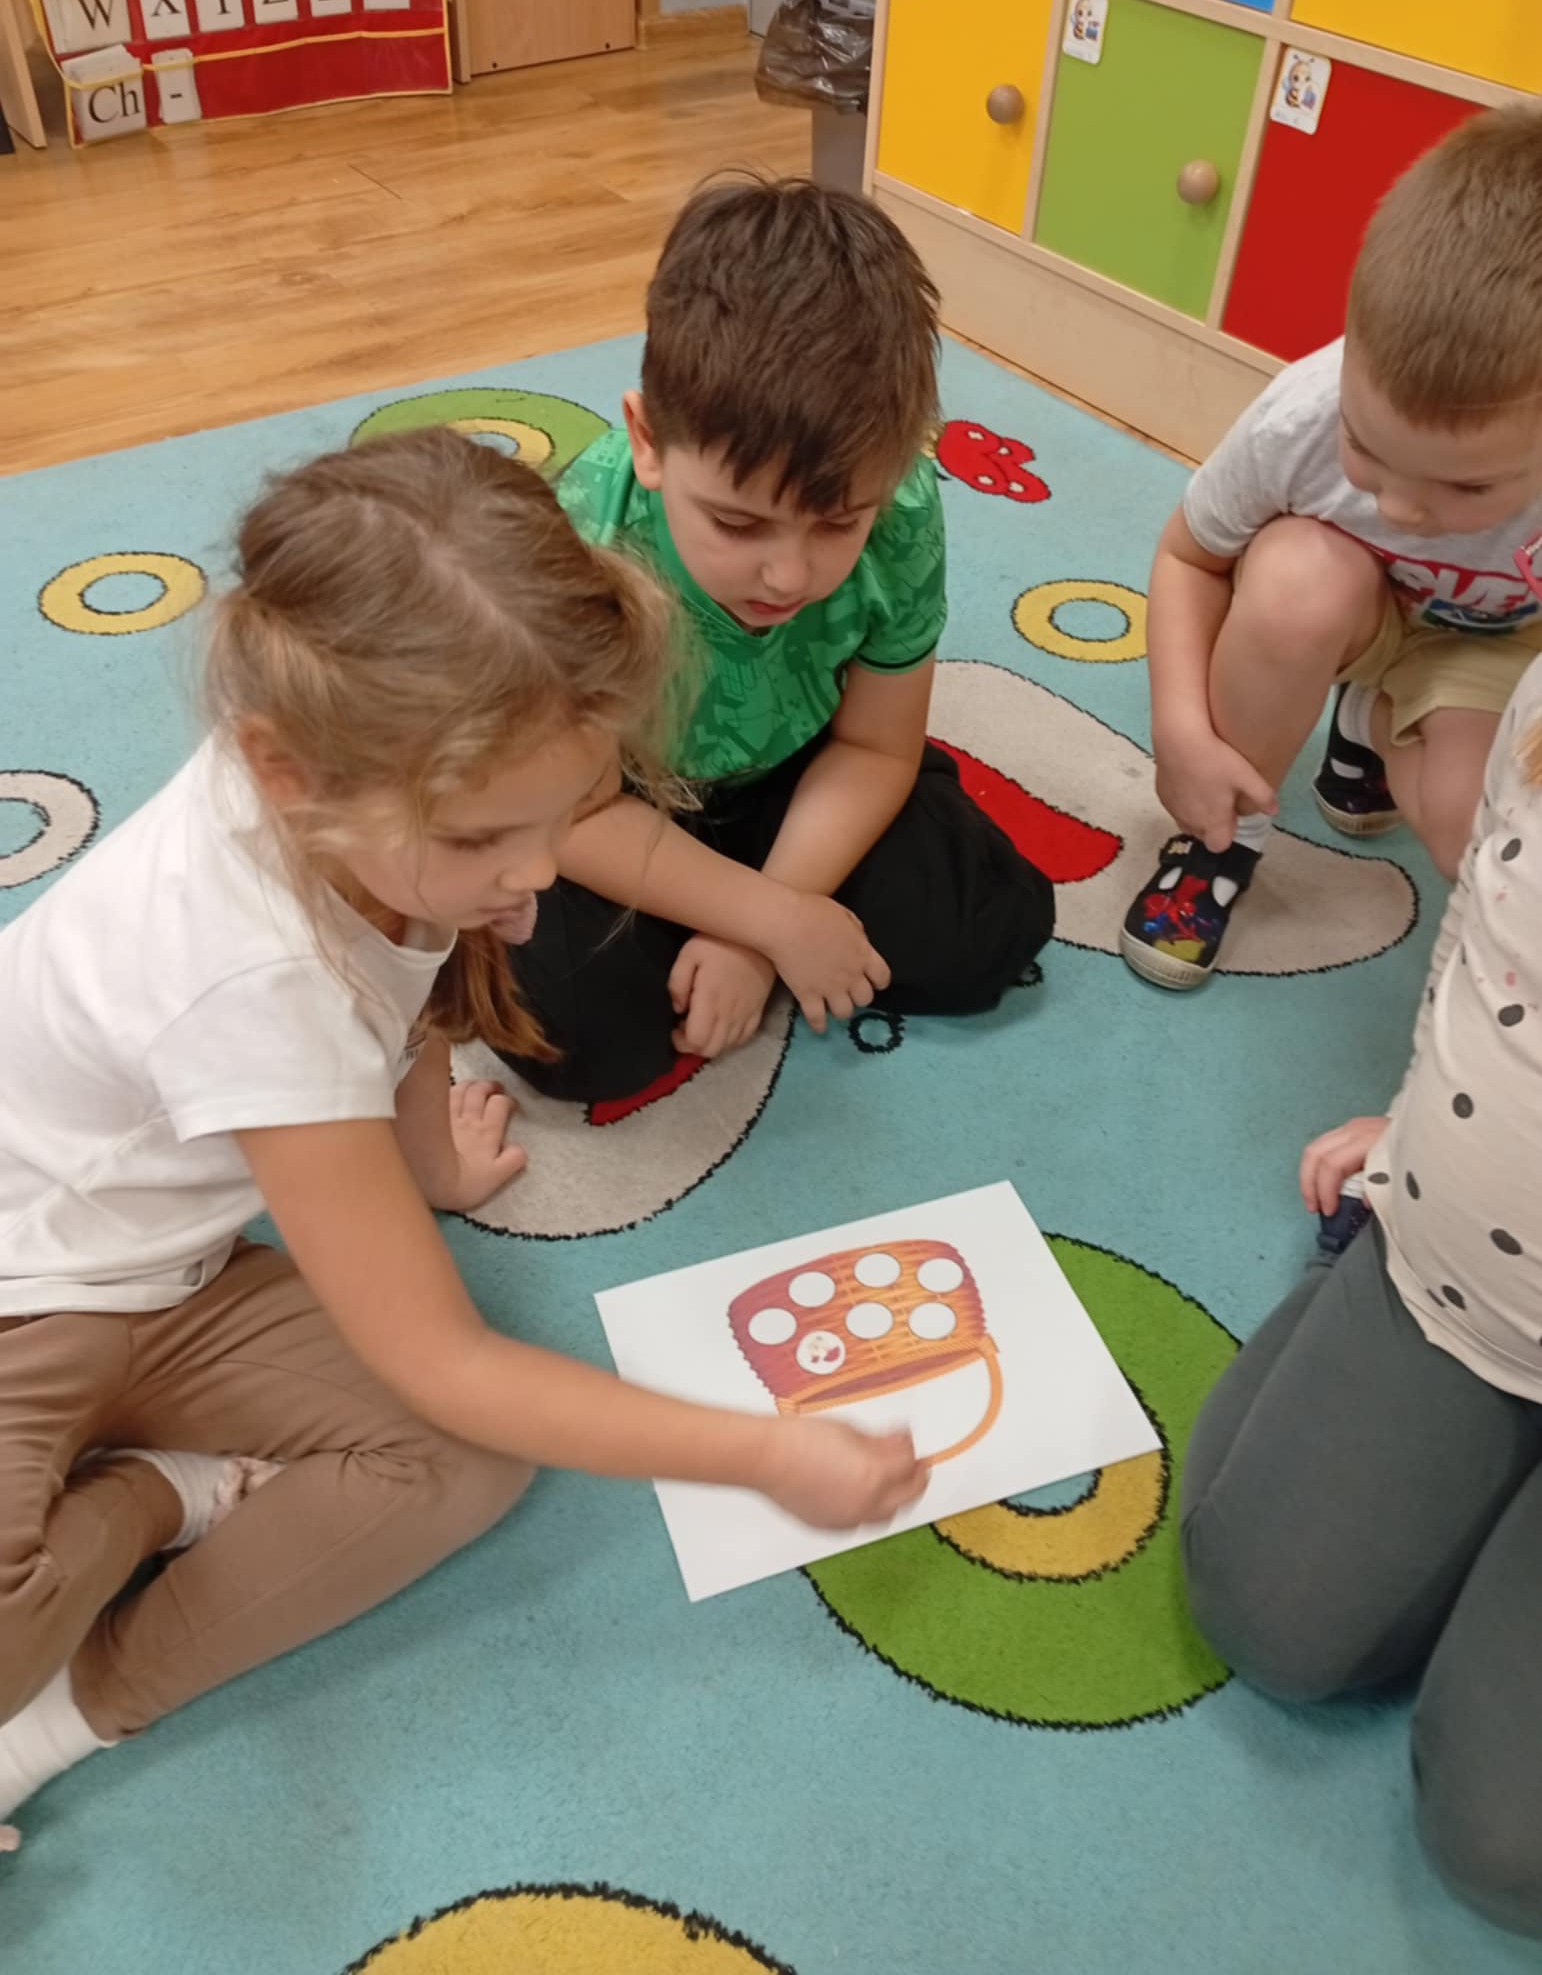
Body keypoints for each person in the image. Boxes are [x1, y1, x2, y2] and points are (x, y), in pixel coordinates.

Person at [0, 432, 926, 1850]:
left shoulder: (363, 796)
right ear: (283, 771)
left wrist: (430, 1165)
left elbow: (408, 988)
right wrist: (759, 1453)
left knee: (462, 1462)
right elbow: (448, 1357)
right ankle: (148, 1494)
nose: (540, 873)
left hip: (170, 1279)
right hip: (27, 1295)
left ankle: (71, 1704)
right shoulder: (246, 969)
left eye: (564, 814)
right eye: (491, 835)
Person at [503, 177, 1055, 1102]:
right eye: (738, 523)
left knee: (988, 927)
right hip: (612, 800)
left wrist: (758, 936)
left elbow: (876, 746)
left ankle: (728, 912)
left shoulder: (902, 503)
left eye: (838, 525)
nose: (790, 578)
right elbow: (578, 814)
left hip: (798, 770)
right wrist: (777, 921)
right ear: (648, 441)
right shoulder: (583, 541)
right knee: (577, 1039)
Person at [1181, 653, 1542, 1937]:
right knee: (1270, 1616)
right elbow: (1486, 922)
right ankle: (1365, 1268)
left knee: (1508, 1847)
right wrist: (1420, 1118)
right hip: (1465, 1273)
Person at [1122, 104, 1542, 990]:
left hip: (1493, 647)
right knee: (1293, 585)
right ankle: (1220, 842)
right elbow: (1189, 558)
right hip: (1347, 608)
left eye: (1468, 487)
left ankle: (1370, 723)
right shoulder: (1302, 414)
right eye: (1367, 447)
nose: (1400, 506)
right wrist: (1182, 730)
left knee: (1481, 843)